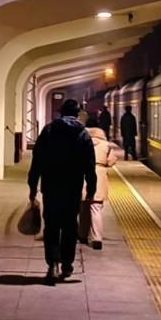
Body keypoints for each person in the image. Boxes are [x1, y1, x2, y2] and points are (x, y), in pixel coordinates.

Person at [27, 98, 96, 283]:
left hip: (51, 187)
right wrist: (91, 188)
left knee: (51, 226)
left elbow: (37, 160)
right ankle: (66, 264)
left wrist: (32, 186)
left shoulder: (49, 130)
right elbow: (90, 164)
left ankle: (53, 264)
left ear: (61, 112)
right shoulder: (83, 134)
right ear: (77, 114)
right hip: (72, 188)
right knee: (70, 226)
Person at [82, 108, 116, 249]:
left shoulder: (81, 141)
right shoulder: (105, 144)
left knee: (83, 206)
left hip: (83, 174)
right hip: (99, 175)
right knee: (96, 208)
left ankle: (82, 235)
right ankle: (97, 239)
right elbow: (111, 161)